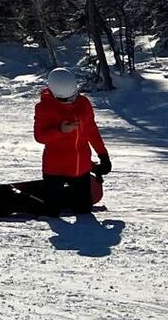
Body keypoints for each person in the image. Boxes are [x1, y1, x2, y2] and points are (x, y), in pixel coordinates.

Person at [34, 67, 111, 213]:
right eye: (66, 99)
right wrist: (60, 130)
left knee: (84, 212)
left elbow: (91, 131)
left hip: (80, 169)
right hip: (54, 169)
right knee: (52, 212)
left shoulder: (84, 103)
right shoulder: (43, 108)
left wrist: (103, 155)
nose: (71, 101)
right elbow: (40, 136)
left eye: (74, 96)